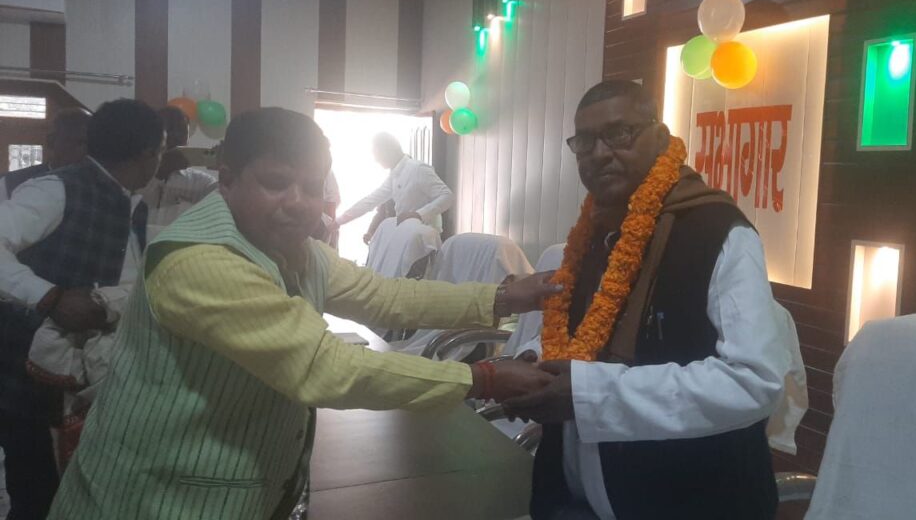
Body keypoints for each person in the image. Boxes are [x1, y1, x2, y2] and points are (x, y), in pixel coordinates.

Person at [46, 107, 558, 520]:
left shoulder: (295, 249)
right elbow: (322, 367)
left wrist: (505, 296)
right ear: (227, 180)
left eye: (313, 187)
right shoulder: (198, 261)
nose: (298, 202)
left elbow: (385, 295)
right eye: (276, 182)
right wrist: (484, 378)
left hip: (238, 491)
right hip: (153, 499)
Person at [503, 81, 792, 519]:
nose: (599, 153)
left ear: (660, 136)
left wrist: (591, 394)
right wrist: (538, 366)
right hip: (571, 498)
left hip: (688, 501)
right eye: (585, 141)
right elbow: (585, 341)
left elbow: (755, 381)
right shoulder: (594, 231)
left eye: (619, 133)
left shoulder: (720, 233)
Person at [0, 99, 164, 520]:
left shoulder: (132, 204)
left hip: (86, 381)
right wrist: (49, 296)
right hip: (29, 380)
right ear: (150, 153)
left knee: (81, 496)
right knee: (37, 496)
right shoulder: (57, 190)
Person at [335, 132, 453, 232]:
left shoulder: (418, 169)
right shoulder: (394, 175)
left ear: (388, 150)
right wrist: (338, 221)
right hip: (406, 234)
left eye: (377, 154)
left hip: (426, 236)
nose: (376, 160)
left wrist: (419, 215)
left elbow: (447, 196)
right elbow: (371, 201)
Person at [140, 106, 218, 232]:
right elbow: (128, 200)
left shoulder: (200, 182)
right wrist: (159, 173)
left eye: (182, 132)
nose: (175, 137)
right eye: (170, 129)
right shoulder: (135, 174)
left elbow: (223, 205)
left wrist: (228, 170)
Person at [0, 107, 91, 202]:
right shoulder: (12, 182)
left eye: (87, 144)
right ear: (51, 141)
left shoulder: (95, 185)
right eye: (70, 141)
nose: (82, 150)